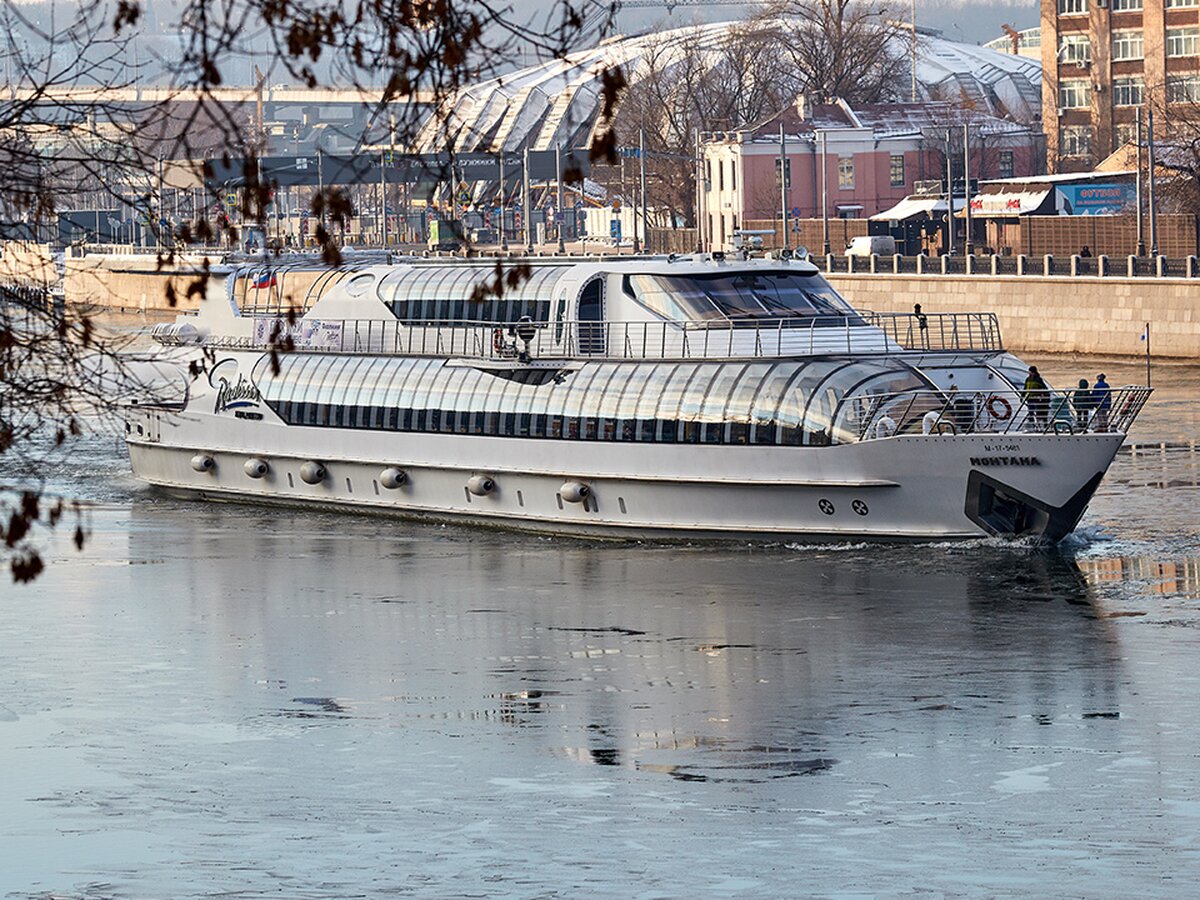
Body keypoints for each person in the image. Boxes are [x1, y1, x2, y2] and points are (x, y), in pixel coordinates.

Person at [1024, 365, 1050, 430]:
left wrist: (1044, 396)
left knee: (1037, 413)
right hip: (1030, 398)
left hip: (1036, 399)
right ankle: (1033, 425)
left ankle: (1040, 426)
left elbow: (1044, 388)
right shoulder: (1027, 379)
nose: (1029, 373)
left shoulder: (1038, 379)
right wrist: (1022, 396)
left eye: (1030, 371)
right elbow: (1025, 388)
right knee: (1031, 413)